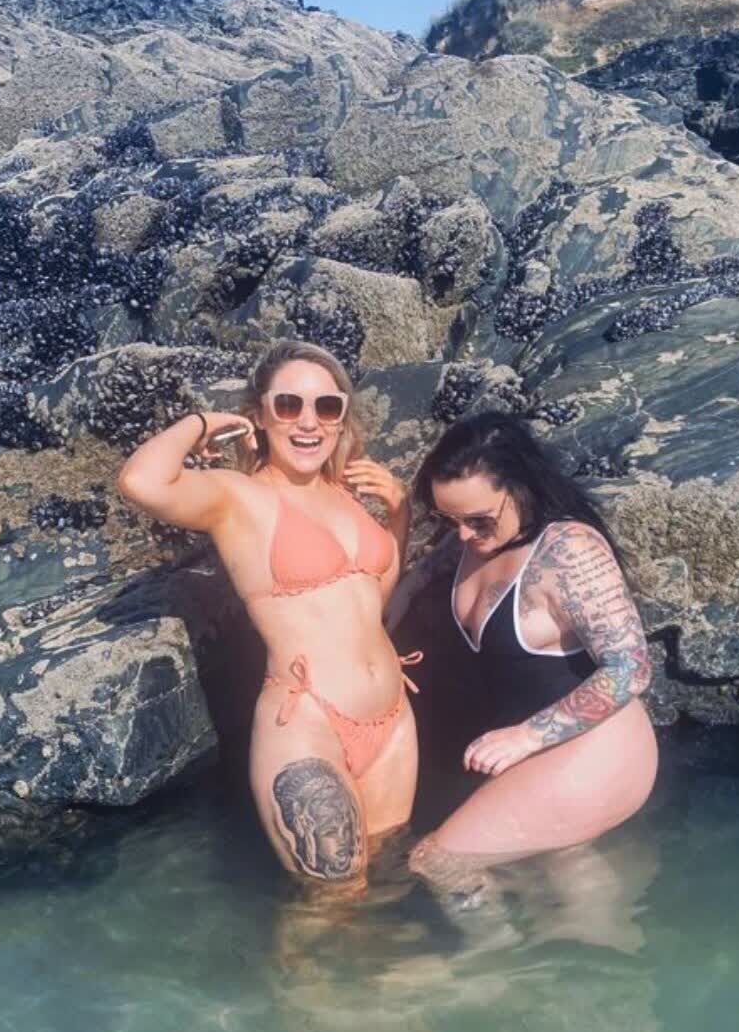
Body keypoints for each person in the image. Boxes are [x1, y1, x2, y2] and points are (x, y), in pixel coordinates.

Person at [116, 340, 418, 888]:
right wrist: (203, 422)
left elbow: (374, 598)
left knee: (388, 880)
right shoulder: (237, 498)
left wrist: (399, 513)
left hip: (393, 718)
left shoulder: (344, 493)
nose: (309, 422)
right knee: (331, 901)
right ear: (259, 414)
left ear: (342, 417)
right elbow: (141, 482)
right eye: (288, 405)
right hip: (309, 723)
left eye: (327, 407)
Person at [390, 411, 659, 915]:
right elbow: (426, 572)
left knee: (439, 860)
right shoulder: (472, 539)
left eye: (478, 520)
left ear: (521, 488)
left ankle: (491, 958)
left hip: (596, 749)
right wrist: (383, 620)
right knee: (561, 861)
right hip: (540, 750)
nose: (462, 534)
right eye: (449, 520)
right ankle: (602, 951)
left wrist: (527, 737)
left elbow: (631, 668)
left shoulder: (568, 551)